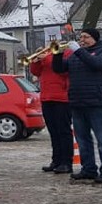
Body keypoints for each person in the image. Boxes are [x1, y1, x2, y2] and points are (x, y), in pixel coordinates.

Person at [52, 27, 102, 184]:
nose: (82, 39)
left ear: (95, 38)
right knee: (82, 140)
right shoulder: (76, 55)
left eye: (86, 37)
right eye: (81, 37)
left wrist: (78, 51)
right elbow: (59, 69)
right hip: (77, 103)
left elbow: (97, 64)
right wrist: (58, 53)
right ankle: (88, 169)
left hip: (97, 103)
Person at [29, 45, 73, 174]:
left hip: (62, 98)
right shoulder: (46, 54)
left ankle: (66, 162)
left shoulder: (67, 52)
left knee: (63, 131)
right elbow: (36, 72)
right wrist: (35, 60)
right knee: (53, 132)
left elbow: (61, 69)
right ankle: (56, 160)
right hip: (46, 97)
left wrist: (48, 57)